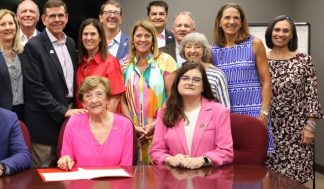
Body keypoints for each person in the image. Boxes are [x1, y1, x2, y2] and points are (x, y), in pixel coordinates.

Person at [23, 0, 86, 167]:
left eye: (60, 15)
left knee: (68, 170)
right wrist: (62, 111)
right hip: (45, 122)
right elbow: (35, 88)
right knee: (43, 175)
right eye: (52, 16)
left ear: (67, 17)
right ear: (43, 19)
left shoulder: (71, 43)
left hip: (70, 117)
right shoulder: (33, 46)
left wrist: (69, 111)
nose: (57, 20)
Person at [264, 15, 324, 183]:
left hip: (296, 131)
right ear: (270, 33)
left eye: (285, 30)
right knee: (268, 183)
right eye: (277, 30)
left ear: (291, 35)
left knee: (294, 185)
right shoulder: (260, 60)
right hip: (268, 128)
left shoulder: (304, 61)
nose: (280, 34)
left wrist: (310, 127)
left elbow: (312, 95)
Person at [150, 63, 233, 169]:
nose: (190, 82)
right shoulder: (164, 112)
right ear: (177, 83)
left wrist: (202, 160)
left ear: (203, 86)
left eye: (196, 80)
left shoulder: (219, 111)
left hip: (208, 178)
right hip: (175, 179)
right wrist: (170, 159)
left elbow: (226, 152)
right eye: (185, 78)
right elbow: (156, 152)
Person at [211, 3, 272, 148]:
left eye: (236, 18)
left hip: (253, 112)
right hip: (227, 114)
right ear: (219, 22)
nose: (231, 22)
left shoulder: (255, 44)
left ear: (241, 22)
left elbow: (266, 81)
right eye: (227, 18)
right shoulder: (212, 49)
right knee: (229, 158)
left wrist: (264, 113)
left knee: (256, 160)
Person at [121, 19, 177, 164]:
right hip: (132, 132)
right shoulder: (125, 65)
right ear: (132, 40)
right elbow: (123, 100)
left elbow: (173, 97)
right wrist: (132, 126)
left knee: (158, 179)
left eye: (147, 36)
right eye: (138, 36)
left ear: (153, 39)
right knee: (133, 178)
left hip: (160, 129)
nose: (142, 39)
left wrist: (156, 124)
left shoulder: (166, 61)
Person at [57, 77, 133, 169]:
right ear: (83, 103)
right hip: (81, 181)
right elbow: (66, 159)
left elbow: (127, 166)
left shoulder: (125, 125)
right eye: (88, 96)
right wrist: (65, 161)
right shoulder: (73, 123)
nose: (94, 100)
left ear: (108, 99)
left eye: (99, 94)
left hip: (116, 181)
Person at [75, 18, 125, 112]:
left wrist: (103, 124)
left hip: (103, 122)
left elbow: (114, 99)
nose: (88, 38)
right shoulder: (80, 63)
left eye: (93, 34)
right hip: (83, 120)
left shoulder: (111, 62)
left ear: (101, 37)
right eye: (85, 34)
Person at [180, 32, 230, 109]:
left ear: (204, 50)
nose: (193, 51)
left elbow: (225, 107)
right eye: (188, 47)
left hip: (212, 118)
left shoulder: (217, 74)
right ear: (183, 50)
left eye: (197, 47)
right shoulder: (178, 73)